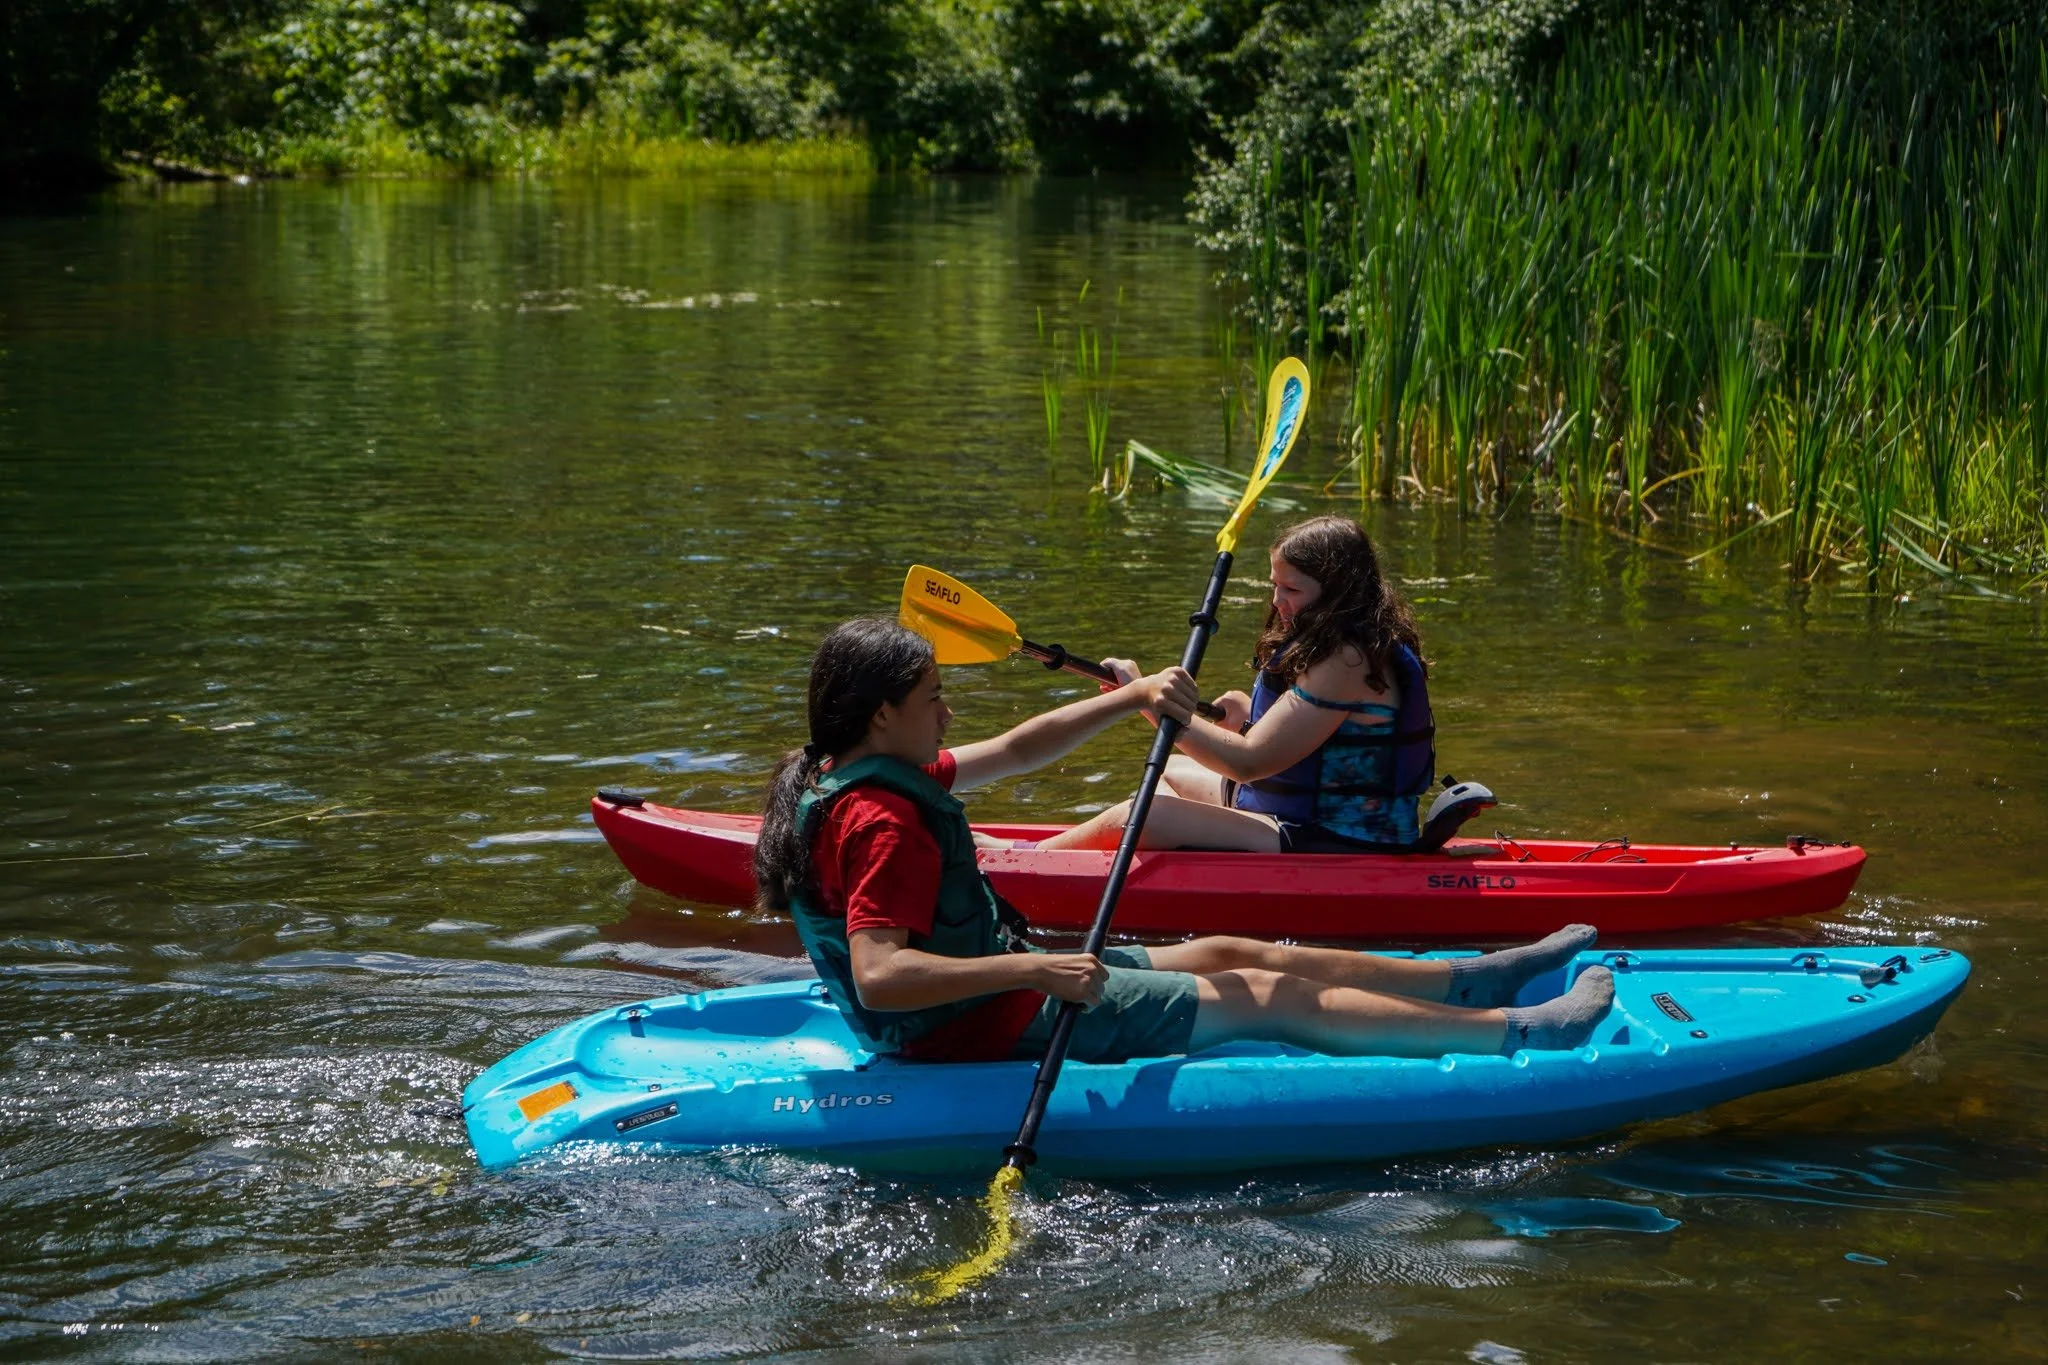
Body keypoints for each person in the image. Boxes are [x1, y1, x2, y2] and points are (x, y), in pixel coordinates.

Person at [754, 616, 1613, 1067]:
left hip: (989, 995)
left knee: (1232, 949)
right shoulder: (883, 821)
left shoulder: (857, 769)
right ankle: (1516, 1032)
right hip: (977, 1023)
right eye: (934, 698)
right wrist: (1036, 970)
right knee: (1263, 992)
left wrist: (1131, 699)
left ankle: (1470, 978)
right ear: (881, 714)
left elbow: (1018, 748)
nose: (947, 714)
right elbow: (882, 975)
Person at [1039, 515, 1435, 855]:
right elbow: (1318, 736)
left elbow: (1248, 763)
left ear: (1338, 593)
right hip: (1300, 817)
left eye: (1292, 589)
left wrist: (1148, 700)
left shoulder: (1346, 660)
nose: (1277, 600)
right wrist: (1250, 718)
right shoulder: (1351, 643)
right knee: (1171, 772)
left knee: (1143, 814)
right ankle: (1184, 872)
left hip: (1341, 840)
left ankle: (1034, 858)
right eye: (1275, 585)